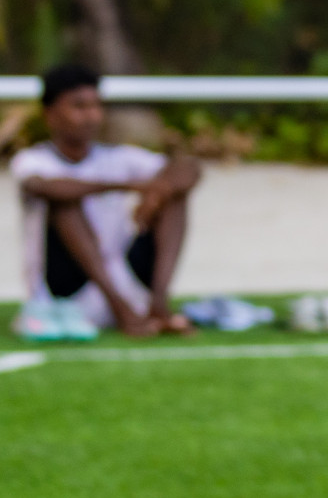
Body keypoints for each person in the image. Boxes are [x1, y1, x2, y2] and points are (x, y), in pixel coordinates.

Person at [12, 64, 201, 338]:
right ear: (50, 115)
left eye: (95, 106)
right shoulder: (33, 160)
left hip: (126, 279)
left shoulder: (118, 156)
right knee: (65, 202)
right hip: (67, 296)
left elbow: (189, 169)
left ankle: (158, 304)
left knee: (175, 196)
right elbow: (46, 187)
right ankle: (123, 311)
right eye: (79, 107)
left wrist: (159, 191)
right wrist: (129, 186)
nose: (91, 116)